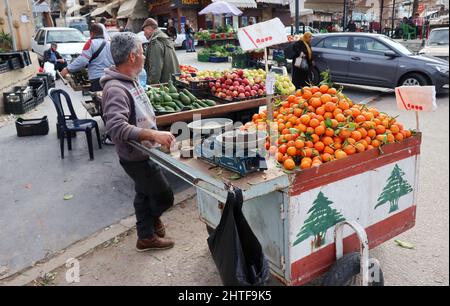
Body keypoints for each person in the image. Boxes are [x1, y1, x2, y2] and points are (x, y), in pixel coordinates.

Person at [100, 32, 176, 251]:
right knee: (164, 196)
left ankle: (145, 236)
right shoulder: (115, 88)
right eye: (142, 52)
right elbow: (116, 127)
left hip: (145, 152)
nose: (145, 57)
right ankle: (150, 225)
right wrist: (153, 135)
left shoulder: (130, 80)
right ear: (132, 56)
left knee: (144, 193)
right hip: (136, 156)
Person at [60, 23, 114, 92]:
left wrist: (67, 69)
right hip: (111, 77)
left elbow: (83, 61)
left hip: (97, 79)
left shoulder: (90, 43)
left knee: (100, 99)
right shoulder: (110, 44)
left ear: (91, 33)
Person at [142, 18, 180, 84]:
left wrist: (151, 85)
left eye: (145, 31)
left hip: (165, 84)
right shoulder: (164, 37)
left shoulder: (156, 41)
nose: (144, 34)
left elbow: (156, 69)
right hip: (173, 81)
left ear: (150, 29)